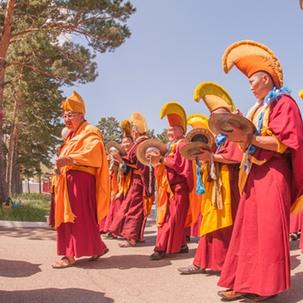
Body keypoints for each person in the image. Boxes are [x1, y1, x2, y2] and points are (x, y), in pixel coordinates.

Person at [217, 40, 303, 301]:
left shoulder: (284, 102)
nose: (250, 86)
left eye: (252, 81)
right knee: (248, 230)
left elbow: (285, 142)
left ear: (265, 78)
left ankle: (266, 286)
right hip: (253, 174)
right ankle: (244, 281)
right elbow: (247, 141)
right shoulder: (258, 109)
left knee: (266, 230)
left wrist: (249, 137)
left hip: (273, 173)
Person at [178, 82, 241, 275]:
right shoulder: (218, 139)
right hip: (213, 185)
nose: (217, 122)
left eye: (220, 118)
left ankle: (226, 265)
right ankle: (201, 261)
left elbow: (235, 157)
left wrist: (211, 157)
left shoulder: (235, 134)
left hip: (229, 186)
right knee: (209, 223)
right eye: (213, 119)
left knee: (225, 226)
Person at [52, 91, 110, 268]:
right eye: (64, 116)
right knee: (79, 216)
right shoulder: (71, 134)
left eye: (70, 115)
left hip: (81, 180)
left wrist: (70, 158)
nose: (66, 119)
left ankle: (69, 255)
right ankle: (97, 247)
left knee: (77, 216)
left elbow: (93, 151)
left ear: (81, 115)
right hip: (67, 180)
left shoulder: (90, 131)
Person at [149, 102, 194, 260]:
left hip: (178, 187)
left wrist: (161, 159)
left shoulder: (183, 144)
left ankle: (161, 247)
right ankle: (181, 245)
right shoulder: (171, 145)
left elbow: (180, 165)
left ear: (181, 130)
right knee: (171, 216)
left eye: (173, 128)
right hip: (169, 187)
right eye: (169, 128)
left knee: (172, 217)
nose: (169, 131)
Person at [108, 112, 154, 247]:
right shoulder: (139, 143)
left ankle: (131, 237)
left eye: (134, 130)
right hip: (135, 179)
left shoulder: (142, 144)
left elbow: (140, 164)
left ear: (137, 132)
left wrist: (121, 160)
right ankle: (135, 236)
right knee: (133, 208)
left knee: (134, 209)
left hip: (139, 181)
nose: (132, 133)